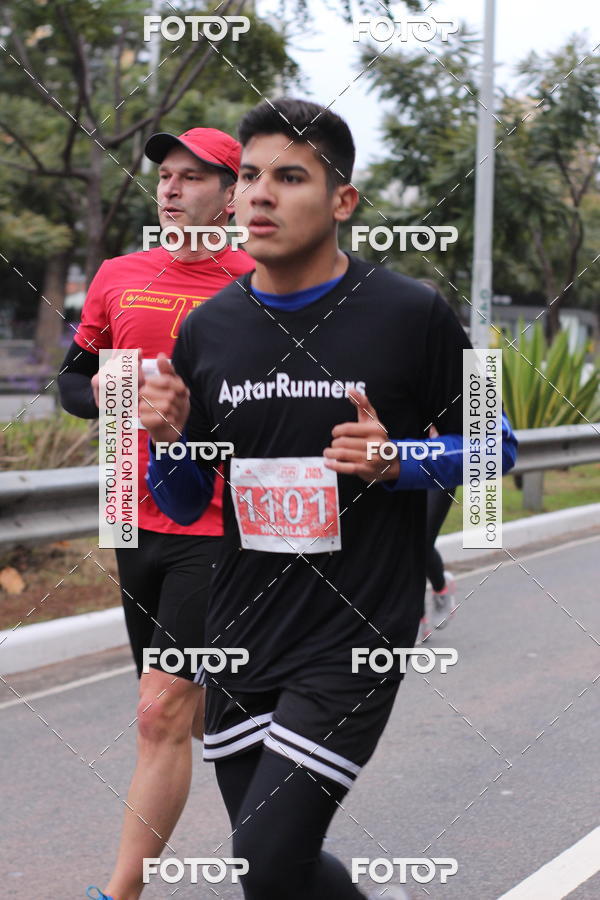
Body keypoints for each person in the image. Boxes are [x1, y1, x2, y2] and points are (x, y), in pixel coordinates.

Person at [140, 98, 518, 899]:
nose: (260, 196)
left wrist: (398, 461)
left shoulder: (414, 313)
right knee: (270, 869)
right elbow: (180, 501)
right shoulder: (209, 328)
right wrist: (168, 441)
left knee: (271, 856)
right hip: (241, 635)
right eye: (248, 177)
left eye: (289, 176)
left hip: (353, 637)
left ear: (342, 200)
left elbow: (500, 446)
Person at [57, 127, 254, 900]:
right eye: (165, 177)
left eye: (192, 178)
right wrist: (100, 394)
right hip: (131, 517)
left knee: (161, 711)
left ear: (233, 195)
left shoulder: (259, 282)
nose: (171, 189)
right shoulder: (117, 274)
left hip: (220, 524)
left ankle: (119, 893)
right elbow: (74, 381)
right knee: (191, 715)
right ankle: (285, 846)